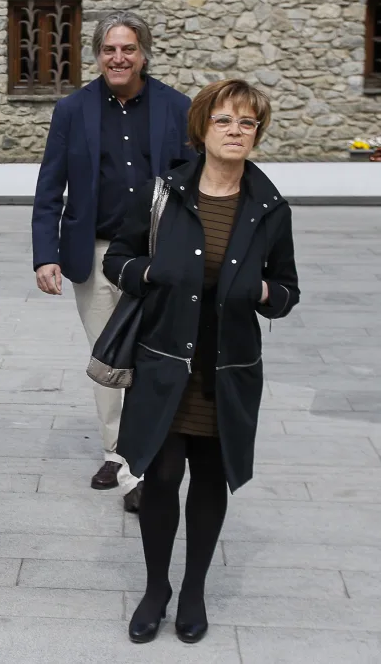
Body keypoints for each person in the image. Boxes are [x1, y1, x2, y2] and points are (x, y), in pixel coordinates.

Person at [103, 79, 299, 644]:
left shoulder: (269, 207)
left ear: (256, 134)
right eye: (225, 120)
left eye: (247, 123)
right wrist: (148, 273)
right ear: (202, 128)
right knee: (162, 477)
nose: (237, 131)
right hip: (165, 362)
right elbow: (119, 257)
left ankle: (193, 590)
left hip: (228, 369)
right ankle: (156, 588)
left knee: (212, 478)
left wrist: (264, 294)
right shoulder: (163, 193)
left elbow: (288, 290)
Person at [31, 11, 195, 512]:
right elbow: (49, 187)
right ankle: (117, 455)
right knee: (107, 357)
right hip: (95, 254)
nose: (118, 58)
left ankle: (143, 455)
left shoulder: (177, 107)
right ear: (97, 54)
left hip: (156, 256)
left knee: (151, 356)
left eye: (128, 49)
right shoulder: (72, 110)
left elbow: (193, 182)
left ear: (143, 53)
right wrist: (45, 255)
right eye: (109, 50)